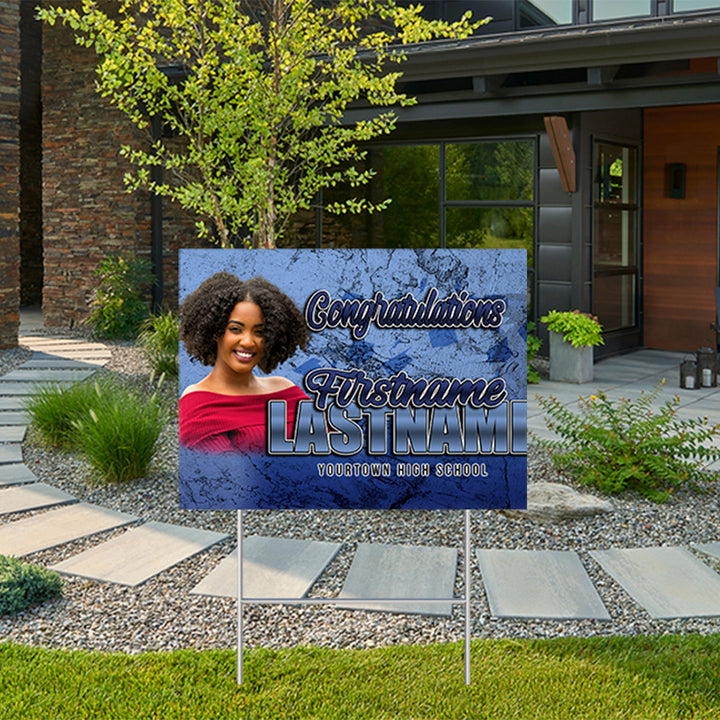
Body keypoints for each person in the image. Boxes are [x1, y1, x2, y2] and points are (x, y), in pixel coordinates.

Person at [179, 272, 310, 453]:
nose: (248, 342)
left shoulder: (286, 391)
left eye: (259, 332)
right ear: (215, 332)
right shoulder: (199, 406)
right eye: (235, 329)